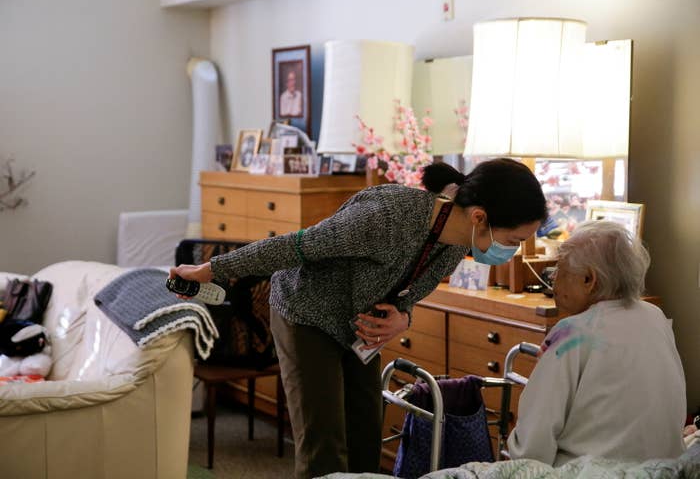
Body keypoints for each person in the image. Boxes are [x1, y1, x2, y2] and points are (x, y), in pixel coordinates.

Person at [170, 158, 548, 478]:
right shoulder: (385, 218)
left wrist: (403, 318)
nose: (512, 251)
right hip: (306, 314)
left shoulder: (458, 239)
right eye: (513, 240)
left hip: (357, 324)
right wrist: (211, 270)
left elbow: (413, 288)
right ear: (480, 217)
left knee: (366, 431)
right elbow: (294, 247)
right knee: (325, 443)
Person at [507, 221, 686, 466]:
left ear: (589, 279)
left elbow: (532, 444)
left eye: (559, 268)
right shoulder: (655, 317)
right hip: (661, 471)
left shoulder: (573, 333)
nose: (553, 279)